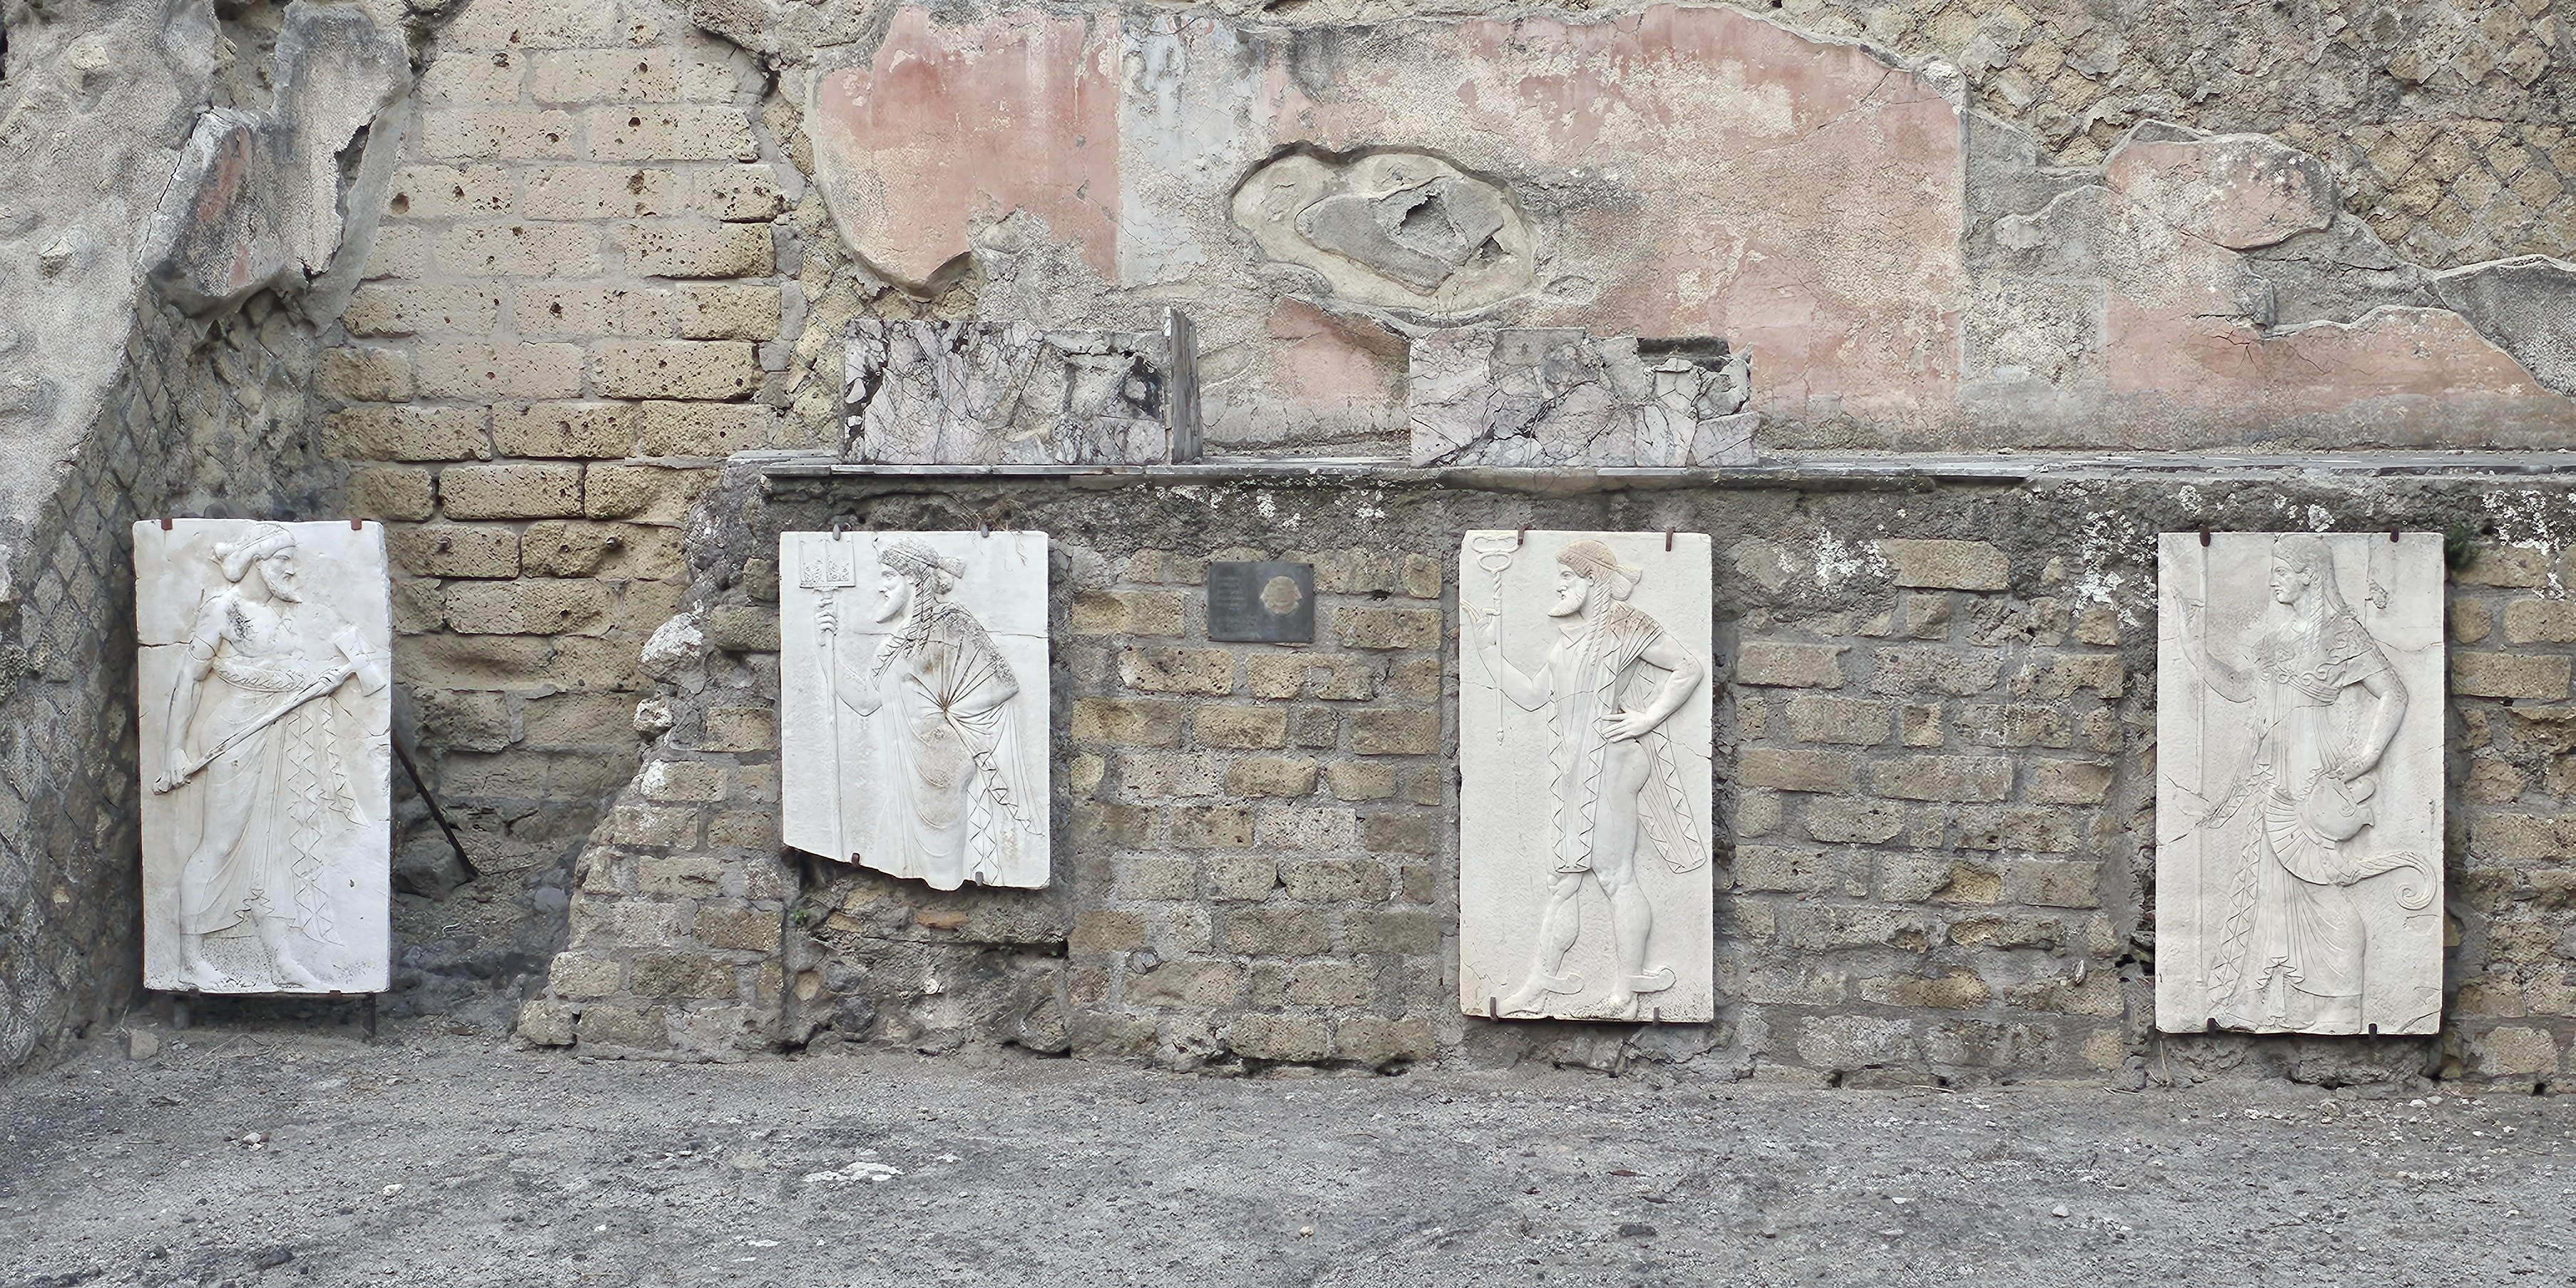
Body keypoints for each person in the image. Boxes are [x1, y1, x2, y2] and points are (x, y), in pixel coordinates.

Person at [2175, 534, 2436, 1033]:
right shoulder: (2276, 640)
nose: (2274, 578)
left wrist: (2365, 757)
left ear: (2309, 575)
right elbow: (2240, 689)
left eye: (2282, 570)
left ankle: (2341, 1001)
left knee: (2320, 885)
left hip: (2312, 774)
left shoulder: (2340, 633)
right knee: (2266, 890)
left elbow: (2394, 694)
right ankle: (2262, 998)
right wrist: (2193, 649)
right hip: (2271, 775)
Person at [1465, 539, 1706, 1018]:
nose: (1558, 585)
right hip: (1573, 771)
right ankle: (1539, 984)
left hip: (1614, 763)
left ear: (1594, 580)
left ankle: (1626, 991)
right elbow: (1533, 696)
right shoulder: (1565, 645)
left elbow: (1689, 666)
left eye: (1568, 577)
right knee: (1562, 880)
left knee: (1616, 876)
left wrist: (1648, 717)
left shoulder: (1627, 626)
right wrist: (1488, 651)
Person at [156, 524, 387, 989]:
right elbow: (189, 679)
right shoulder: (224, 609)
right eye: (284, 559)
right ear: (260, 561)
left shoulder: (284, 613)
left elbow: (286, 672)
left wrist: (324, 678)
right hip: (239, 735)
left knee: (275, 850)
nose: (292, 568)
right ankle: (187, 960)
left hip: (281, 734)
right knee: (218, 844)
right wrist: (173, 749)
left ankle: (280, 960)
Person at [815, 540, 1041, 890]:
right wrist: (824, 650)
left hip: (941, 768)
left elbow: (1003, 684)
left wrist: (951, 716)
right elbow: (864, 702)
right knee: (890, 853)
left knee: (943, 872)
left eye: (889, 575)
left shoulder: (952, 624)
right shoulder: (890, 644)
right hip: (903, 772)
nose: (880, 585)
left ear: (914, 579)